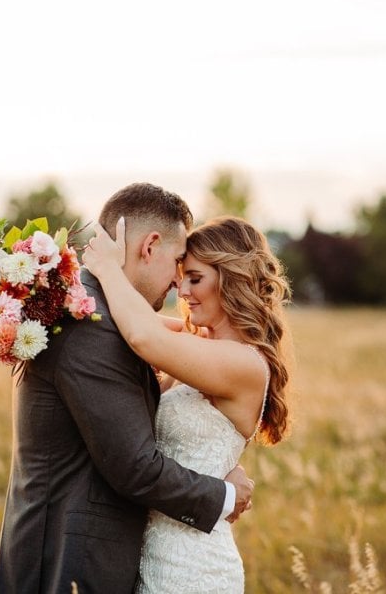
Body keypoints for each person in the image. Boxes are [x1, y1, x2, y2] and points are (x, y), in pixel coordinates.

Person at [0, 183, 254, 594]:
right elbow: (134, 466)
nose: (178, 284)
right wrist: (222, 494)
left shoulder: (100, 314)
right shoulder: (91, 328)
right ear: (150, 246)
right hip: (66, 565)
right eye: (179, 262)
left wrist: (213, 457)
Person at [82, 212, 292, 593]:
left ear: (233, 280)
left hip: (194, 567)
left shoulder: (243, 363)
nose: (183, 291)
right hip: (151, 556)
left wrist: (107, 268)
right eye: (182, 279)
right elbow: (120, 322)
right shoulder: (199, 346)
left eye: (196, 279)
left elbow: (143, 336)